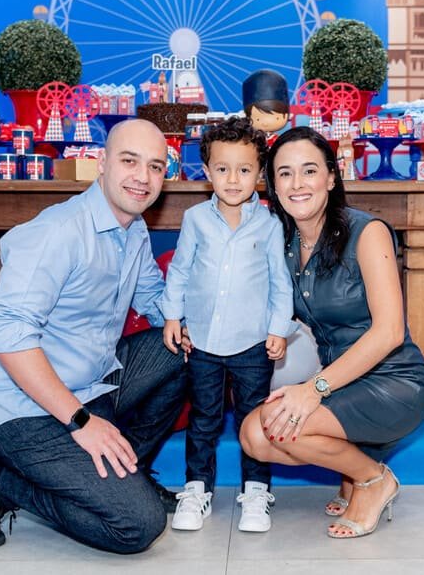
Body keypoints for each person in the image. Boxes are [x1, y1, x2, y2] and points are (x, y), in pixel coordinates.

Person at [0, 119, 188, 554]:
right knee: (138, 526)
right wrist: (79, 421)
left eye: (155, 166)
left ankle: (127, 470)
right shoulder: (58, 231)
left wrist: (212, 323)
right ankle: (2, 480)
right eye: (130, 161)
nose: (143, 176)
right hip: (26, 410)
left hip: (93, 384)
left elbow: (155, 303)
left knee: (183, 349)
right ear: (102, 163)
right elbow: (7, 337)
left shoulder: (134, 229)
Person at [239, 126, 424, 539]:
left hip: (394, 380)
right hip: (341, 381)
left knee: (276, 424)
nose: (297, 184)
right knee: (254, 436)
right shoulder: (282, 241)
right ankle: (356, 468)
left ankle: (371, 480)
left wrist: (313, 389)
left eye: (309, 171)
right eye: (285, 173)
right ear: (272, 185)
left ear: (331, 177)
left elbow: (389, 332)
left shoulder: (367, 232)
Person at [160, 116, 295, 534]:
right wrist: (172, 316)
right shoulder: (196, 219)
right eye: (222, 169)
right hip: (202, 341)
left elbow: (280, 281)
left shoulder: (270, 224)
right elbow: (180, 270)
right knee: (204, 419)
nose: (233, 179)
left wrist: (278, 328)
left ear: (259, 173)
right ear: (207, 171)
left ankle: (256, 490)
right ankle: (197, 489)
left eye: (244, 169)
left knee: (254, 419)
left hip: (253, 343)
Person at [242, 69, 290, 144]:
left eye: (276, 118)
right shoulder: (252, 140)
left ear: (286, 115)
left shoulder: (280, 140)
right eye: (257, 119)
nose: (265, 123)